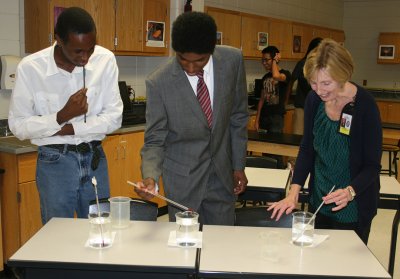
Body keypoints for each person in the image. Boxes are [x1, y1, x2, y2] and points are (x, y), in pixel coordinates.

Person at [8, 7, 123, 224]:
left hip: (95, 158)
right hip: (55, 162)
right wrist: (61, 115)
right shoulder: (31, 68)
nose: (86, 57)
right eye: (78, 51)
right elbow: (18, 125)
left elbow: (114, 117)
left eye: (90, 49)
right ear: (58, 40)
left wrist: (69, 128)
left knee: (101, 230)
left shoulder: (105, 60)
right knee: (56, 234)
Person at [135, 11, 249, 225]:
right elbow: (155, 139)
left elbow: (238, 117)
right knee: (184, 252)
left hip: (222, 178)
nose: (190, 67)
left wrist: (238, 165)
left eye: (199, 61)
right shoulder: (159, 82)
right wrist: (150, 177)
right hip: (182, 183)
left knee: (220, 248)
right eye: (183, 60)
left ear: (211, 51)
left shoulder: (232, 61)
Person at [268, 39, 382, 244]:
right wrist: (294, 192)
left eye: (326, 83)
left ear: (343, 76)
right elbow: (307, 150)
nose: (319, 90)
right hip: (319, 198)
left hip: (353, 203)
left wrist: (350, 191)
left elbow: (372, 166)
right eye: (313, 82)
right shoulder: (314, 101)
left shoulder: (366, 106)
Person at [286, 37, 322, 135]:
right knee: (298, 135)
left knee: (314, 136)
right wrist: (286, 100)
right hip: (301, 106)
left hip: (317, 107)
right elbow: (291, 81)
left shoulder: (322, 66)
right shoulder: (302, 63)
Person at [255, 46, 291, 133]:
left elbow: (276, 76)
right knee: (263, 144)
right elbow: (262, 100)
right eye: (262, 60)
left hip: (276, 118)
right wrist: (257, 120)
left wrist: (275, 60)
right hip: (264, 117)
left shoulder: (285, 74)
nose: (264, 63)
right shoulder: (265, 77)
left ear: (274, 59)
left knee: (275, 145)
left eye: (266, 60)